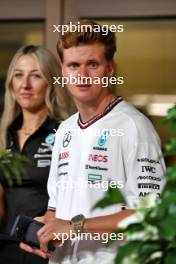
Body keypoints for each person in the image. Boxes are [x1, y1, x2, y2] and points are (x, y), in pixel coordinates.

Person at [21, 20, 166, 263]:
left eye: (93, 64)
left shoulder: (134, 126)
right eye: (74, 65)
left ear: (110, 69)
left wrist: (73, 226)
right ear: (63, 71)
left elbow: (149, 214)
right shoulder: (64, 131)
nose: (83, 75)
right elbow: (55, 212)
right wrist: (42, 229)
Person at [0, 45, 69, 264]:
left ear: (50, 82)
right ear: (11, 83)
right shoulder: (3, 136)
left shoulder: (66, 133)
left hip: (43, 252)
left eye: (36, 76)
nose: (25, 85)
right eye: (18, 75)